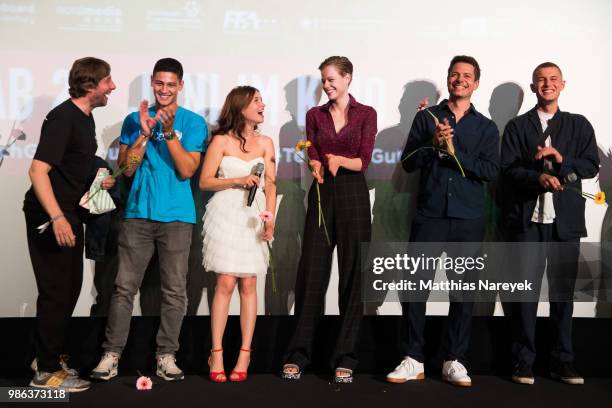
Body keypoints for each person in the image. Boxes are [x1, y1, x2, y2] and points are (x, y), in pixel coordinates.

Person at [90, 58, 207, 381]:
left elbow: (186, 170)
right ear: (152, 84)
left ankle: (166, 356)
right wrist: (143, 134)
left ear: (180, 86)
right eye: (159, 83)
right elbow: (128, 169)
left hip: (177, 217)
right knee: (123, 288)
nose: (164, 90)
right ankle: (111, 355)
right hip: (138, 214)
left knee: (174, 290)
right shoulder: (133, 120)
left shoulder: (194, 123)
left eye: (171, 84)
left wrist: (168, 134)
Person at [386, 56, 499, 387]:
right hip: (430, 216)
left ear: (476, 83)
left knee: (463, 293)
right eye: (454, 74)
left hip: (469, 218)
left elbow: (491, 171)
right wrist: (432, 144)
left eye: (467, 76)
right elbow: (407, 164)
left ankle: (455, 359)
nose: (460, 79)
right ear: (448, 79)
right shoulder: (427, 118)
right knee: (416, 287)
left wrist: (454, 152)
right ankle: (413, 358)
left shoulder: (487, 127)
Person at [500, 62, 599, 385]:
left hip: (565, 224)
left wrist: (562, 162)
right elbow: (508, 170)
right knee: (525, 294)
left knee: (563, 294)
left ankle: (563, 361)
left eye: (553, 79)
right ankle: (523, 361)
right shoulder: (517, 126)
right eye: (541, 80)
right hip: (527, 222)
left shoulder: (578, 125)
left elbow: (590, 165)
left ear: (563, 84)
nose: (547, 84)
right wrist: (536, 177)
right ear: (532, 87)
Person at [282, 56, 377, 384]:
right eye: (323, 80)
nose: (327, 85)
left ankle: (346, 357)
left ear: (348, 78)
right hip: (323, 195)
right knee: (311, 274)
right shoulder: (314, 115)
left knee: (353, 278)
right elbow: (312, 155)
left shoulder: (366, 114)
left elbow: (363, 161)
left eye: (332, 79)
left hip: (354, 196)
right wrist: (316, 165)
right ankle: (299, 353)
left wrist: (338, 159)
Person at [24, 57, 116, 391]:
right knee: (57, 293)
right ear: (91, 85)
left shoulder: (85, 118)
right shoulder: (63, 118)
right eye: (107, 81)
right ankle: (46, 373)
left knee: (66, 291)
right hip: (51, 218)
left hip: (68, 214)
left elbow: (71, 164)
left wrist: (97, 177)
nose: (113, 87)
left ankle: (45, 358)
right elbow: (38, 170)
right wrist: (57, 217)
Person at [200, 85, 276, 382]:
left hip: (253, 215)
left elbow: (271, 185)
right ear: (241, 106)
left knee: (249, 283)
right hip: (227, 212)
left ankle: (245, 354)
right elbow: (205, 181)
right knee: (225, 283)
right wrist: (237, 180)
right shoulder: (220, 141)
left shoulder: (267, 142)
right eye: (257, 100)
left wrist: (270, 219)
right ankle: (216, 353)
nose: (262, 105)